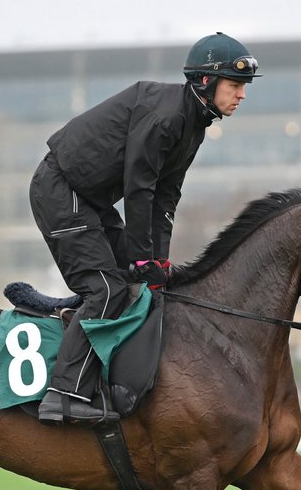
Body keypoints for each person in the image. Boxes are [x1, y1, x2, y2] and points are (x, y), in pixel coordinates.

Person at [30, 32, 260, 425]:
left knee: (140, 286)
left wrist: (157, 265)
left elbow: (165, 199)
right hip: (60, 190)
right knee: (106, 288)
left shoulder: (194, 126)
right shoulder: (166, 116)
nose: (241, 96)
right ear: (206, 81)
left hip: (91, 201)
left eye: (243, 88)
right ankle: (63, 394)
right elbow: (139, 190)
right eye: (235, 86)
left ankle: (110, 377)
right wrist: (141, 259)